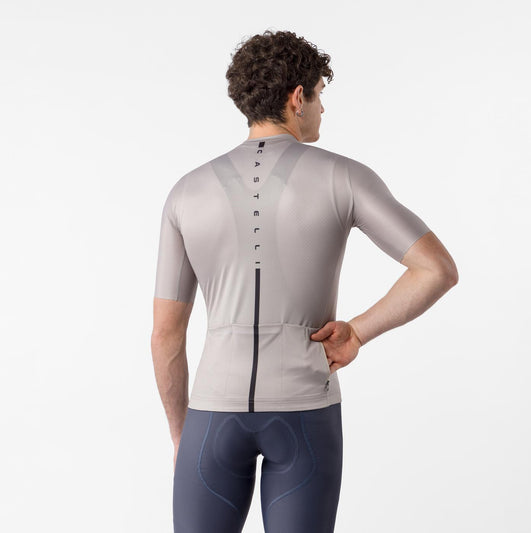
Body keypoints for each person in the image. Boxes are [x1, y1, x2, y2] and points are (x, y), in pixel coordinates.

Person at [150, 29, 458, 533]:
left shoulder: (186, 192)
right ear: (298, 97)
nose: (322, 109)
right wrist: (357, 332)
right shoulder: (344, 176)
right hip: (305, 409)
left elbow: (166, 334)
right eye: (319, 95)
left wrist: (183, 433)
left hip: (212, 413)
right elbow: (437, 269)